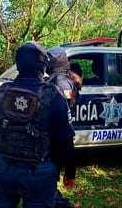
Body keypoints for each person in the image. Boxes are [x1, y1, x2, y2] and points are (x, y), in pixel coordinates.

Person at [0, 41, 76, 208]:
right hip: (38, 175)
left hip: (3, 169)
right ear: (43, 66)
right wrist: (69, 172)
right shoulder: (54, 97)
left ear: (18, 64)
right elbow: (66, 141)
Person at [46, 47, 83, 208]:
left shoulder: (60, 81)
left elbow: (63, 116)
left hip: (56, 141)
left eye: (49, 59)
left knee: (49, 188)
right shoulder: (59, 78)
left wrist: (70, 171)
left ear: (57, 60)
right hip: (56, 139)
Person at [46, 46, 83, 111]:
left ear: (60, 59)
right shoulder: (60, 77)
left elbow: (65, 106)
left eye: (50, 58)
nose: (48, 61)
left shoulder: (61, 82)